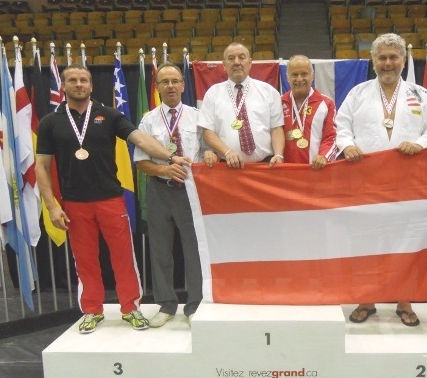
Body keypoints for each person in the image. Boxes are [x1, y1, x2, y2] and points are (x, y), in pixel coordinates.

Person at [35, 65, 174, 334]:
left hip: (110, 199)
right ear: (63, 85)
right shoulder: (50, 121)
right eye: (72, 80)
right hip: (74, 203)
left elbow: (140, 139)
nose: (79, 84)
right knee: (85, 259)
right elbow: (41, 167)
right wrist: (52, 206)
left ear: (91, 85)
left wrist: (170, 157)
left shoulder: (109, 115)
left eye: (83, 80)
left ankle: (130, 308)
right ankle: (92, 310)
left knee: (123, 257)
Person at [335, 33, 427, 326]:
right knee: (366, 240)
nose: (387, 63)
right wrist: (347, 145)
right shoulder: (357, 93)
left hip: (406, 182)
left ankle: (404, 300)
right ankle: (366, 299)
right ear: (373, 61)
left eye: (393, 57)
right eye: (382, 58)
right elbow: (341, 126)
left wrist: (419, 144)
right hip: (366, 180)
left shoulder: (421, 95)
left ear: (403, 60)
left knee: (405, 241)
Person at [134, 63, 206, 327]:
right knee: (160, 249)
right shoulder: (148, 120)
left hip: (191, 192)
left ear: (183, 85)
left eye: (175, 81)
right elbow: (141, 162)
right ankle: (166, 305)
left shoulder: (198, 117)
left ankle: (195, 304)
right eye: (165, 82)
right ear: (157, 88)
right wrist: (165, 170)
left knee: (194, 249)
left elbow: (208, 152)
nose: (171, 86)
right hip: (159, 190)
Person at [198, 42, 285, 168]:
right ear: (224, 65)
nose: (237, 62)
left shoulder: (269, 92)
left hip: (266, 167)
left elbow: (276, 128)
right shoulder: (213, 93)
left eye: (242, 57)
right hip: (228, 167)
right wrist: (227, 152)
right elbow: (208, 132)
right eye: (231, 58)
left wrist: (279, 154)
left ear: (250, 63)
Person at [281, 55, 338, 168]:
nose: (299, 79)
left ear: (312, 76)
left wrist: (324, 156)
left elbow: (331, 137)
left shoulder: (326, 104)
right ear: (287, 77)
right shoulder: (278, 103)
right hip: (285, 171)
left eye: (304, 74)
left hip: (315, 170)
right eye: (294, 75)